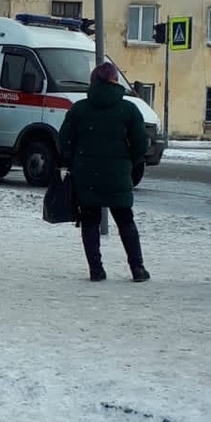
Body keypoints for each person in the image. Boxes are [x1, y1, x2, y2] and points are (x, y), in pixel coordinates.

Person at [59, 61, 150, 282]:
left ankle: (96, 270)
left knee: (89, 220)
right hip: (118, 175)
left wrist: (74, 162)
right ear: (115, 81)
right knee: (125, 220)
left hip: (86, 175)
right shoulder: (128, 109)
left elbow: (64, 141)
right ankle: (137, 269)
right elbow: (141, 143)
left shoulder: (79, 109)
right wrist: (130, 161)